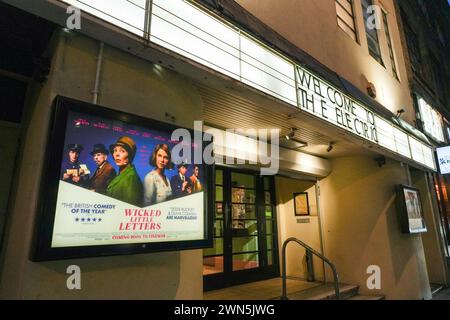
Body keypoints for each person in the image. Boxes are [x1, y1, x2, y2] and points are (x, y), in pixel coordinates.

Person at [106, 136, 143, 207]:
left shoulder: (131, 178)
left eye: (122, 151)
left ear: (129, 156)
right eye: (115, 150)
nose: (116, 154)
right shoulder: (122, 172)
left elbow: (130, 208)